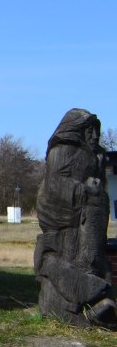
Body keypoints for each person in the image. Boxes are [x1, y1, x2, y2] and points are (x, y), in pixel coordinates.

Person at [35, 108, 116, 327]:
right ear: (77, 130)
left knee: (92, 246)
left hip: (91, 209)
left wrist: (95, 190)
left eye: (96, 131)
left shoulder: (98, 156)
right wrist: (83, 189)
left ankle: (91, 277)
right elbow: (54, 184)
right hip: (60, 210)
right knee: (68, 248)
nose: (94, 136)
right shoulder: (61, 151)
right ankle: (85, 293)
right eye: (89, 131)